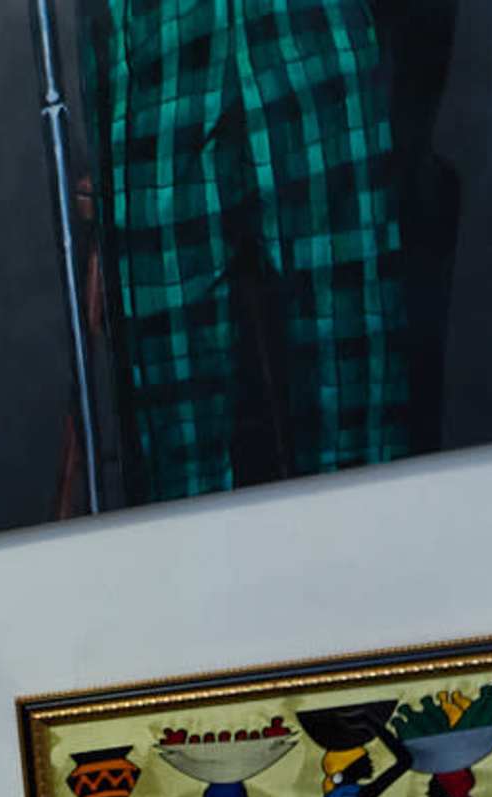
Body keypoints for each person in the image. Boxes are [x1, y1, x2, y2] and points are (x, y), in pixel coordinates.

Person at [98, 0, 410, 503]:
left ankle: (371, 541)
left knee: (356, 401)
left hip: (310, 28)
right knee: (180, 443)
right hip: (160, 44)